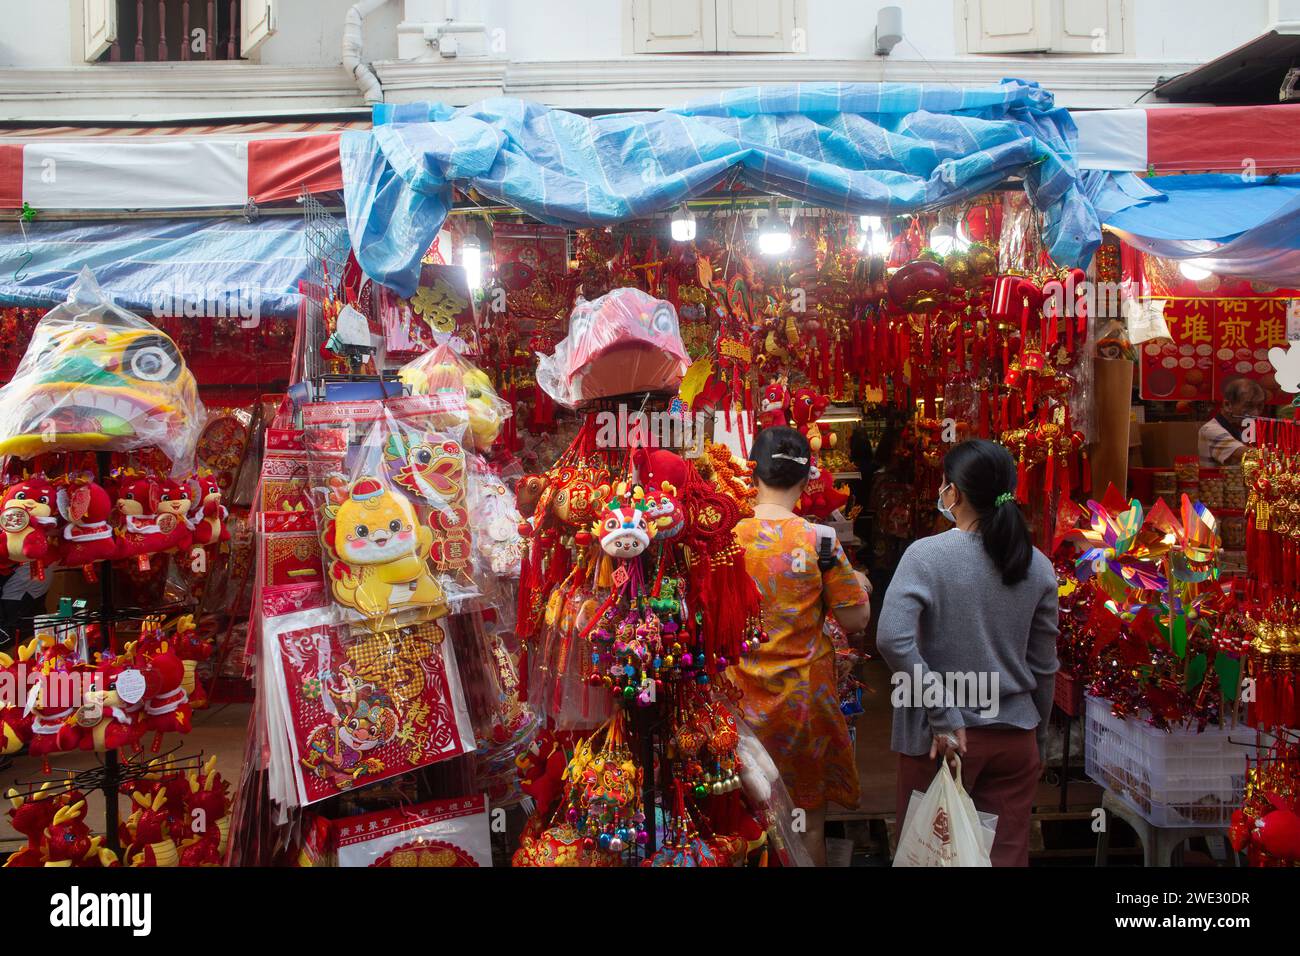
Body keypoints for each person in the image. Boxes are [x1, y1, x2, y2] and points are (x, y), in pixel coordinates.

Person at [876, 438, 1058, 867]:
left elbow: (892, 638)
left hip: (941, 743)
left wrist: (942, 714)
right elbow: (1044, 666)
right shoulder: (1036, 564)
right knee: (1005, 857)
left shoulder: (927, 555)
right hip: (1014, 737)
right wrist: (1040, 733)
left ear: (953, 492)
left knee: (932, 854)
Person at [732, 426, 872, 866]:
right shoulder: (821, 541)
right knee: (807, 820)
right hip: (802, 706)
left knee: (742, 820)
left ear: (751, 472)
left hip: (737, 704)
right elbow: (856, 619)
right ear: (808, 478)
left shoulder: (727, 539)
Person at [1199, 378, 1266, 467]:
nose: (1255, 413)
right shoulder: (1210, 430)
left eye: (1260, 406)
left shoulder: (1243, 427)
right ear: (1227, 405)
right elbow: (1246, 454)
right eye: (1249, 406)